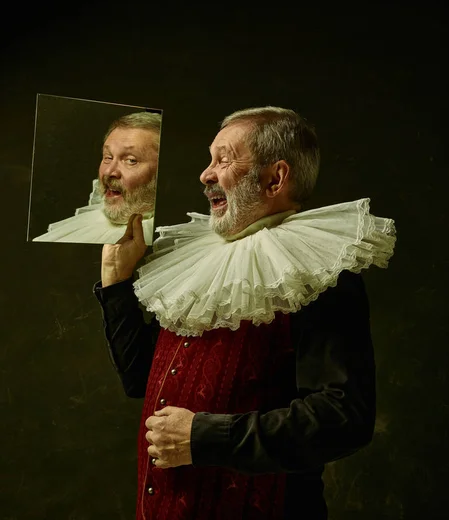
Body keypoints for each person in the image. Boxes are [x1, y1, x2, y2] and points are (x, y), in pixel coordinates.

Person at [94, 106, 396, 519]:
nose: (206, 174)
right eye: (209, 159)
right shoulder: (194, 260)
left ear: (275, 178)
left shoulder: (320, 272)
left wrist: (205, 437)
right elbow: (139, 379)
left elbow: (344, 417)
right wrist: (117, 283)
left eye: (224, 159)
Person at [33, 111, 161, 245]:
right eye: (108, 157)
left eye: (130, 160)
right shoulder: (85, 227)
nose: (108, 171)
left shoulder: (160, 239)